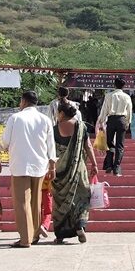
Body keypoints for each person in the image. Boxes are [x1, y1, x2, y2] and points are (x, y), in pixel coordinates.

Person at [1, 91, 57, 248]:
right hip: (40, 166)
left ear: (23, 102)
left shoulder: (15, 118)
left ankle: (25, 238)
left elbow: (5, 142)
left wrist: (2, 147)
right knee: (35, 202)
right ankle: (34, 235)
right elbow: (50, 146)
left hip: (20, 165)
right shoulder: (45, 120)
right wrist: (52, 166)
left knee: (22, 202)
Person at [51, 102, 99, 244]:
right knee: (82, 198)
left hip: (60, 171)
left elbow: (50, 149)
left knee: (61, 201)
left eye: (57, 113)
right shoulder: (81, 127)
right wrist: (95, 164)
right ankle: (79, 225)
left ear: (62, 113)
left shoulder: (54, 129)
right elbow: (88, 146)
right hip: (79, 169)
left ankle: (60, 234)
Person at [97, 79, 133, 176]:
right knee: (120, 145)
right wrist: (128, 122)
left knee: (109, 143)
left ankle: (109, 164)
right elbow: (129, 110)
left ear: (114, 85)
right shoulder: (127, 97)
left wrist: (101, 121)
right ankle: (116, 168)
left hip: (111, 120)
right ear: (123, 86)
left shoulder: (109, 96)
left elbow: (104, 109)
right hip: (122, 120)